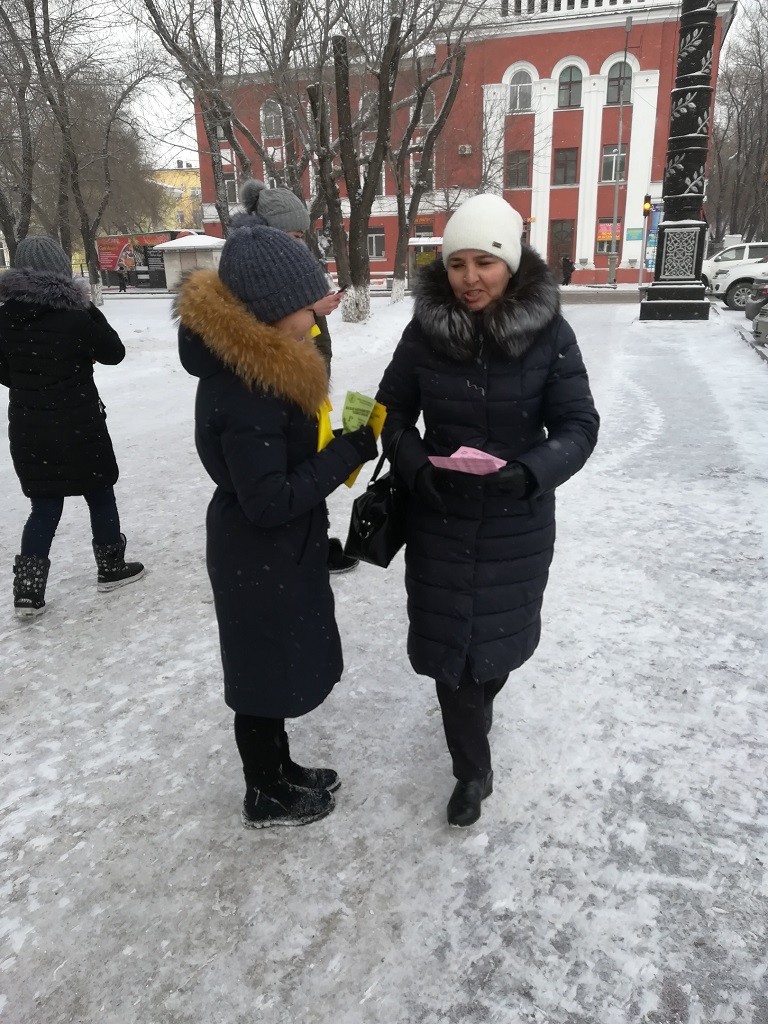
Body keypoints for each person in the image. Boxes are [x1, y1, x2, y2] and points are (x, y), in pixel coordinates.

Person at [376, 194, 599, 827]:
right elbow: (389, 411)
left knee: (495, 645)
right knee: (451, 652)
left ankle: (482, 698)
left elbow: (579, 425)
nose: (469, 278)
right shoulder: (424, 332)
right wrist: (417, 466)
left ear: (512, 263)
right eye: (457, 264)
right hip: (440, 514)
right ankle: (471, 771)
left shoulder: (550, 334)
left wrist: (532, 471)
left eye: (485, 263)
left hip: (515, 519)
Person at [176, 215, 378, 828]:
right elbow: (267, 499)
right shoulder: (248, 388)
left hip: (273, 551)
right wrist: (345, 454)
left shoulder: (259, 371)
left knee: (272, 667)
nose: (315, 321)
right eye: (306, 310)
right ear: (269, 310)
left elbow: (279, 468)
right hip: (256, 550)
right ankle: (263, 792)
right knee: (261, 678)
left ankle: (279, 769)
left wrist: (336, 442)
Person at [0, 236, 145, 618]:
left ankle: (28, 591)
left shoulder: (4, 317)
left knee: (44, 506)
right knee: (100, 493)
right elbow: (114, 353)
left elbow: (4, 372)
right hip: (79, 423)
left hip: (30, 428)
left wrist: (31, 383)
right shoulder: (76, 314)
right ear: (62, 272)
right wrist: (88, 309)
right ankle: (111, 567)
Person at [238, 178, 358, 573]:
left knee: (309, 460)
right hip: (287, 391)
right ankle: (309, 546)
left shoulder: (284, 270)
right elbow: (270, 333)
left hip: (305, 385)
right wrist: (313, 310)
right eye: (294, 235)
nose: (300, 243)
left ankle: (316, 540)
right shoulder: (259, 278)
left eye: (302, 236)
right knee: (295, 470)